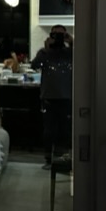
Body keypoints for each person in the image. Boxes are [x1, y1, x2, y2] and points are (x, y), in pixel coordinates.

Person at [29, 24, 74, 168]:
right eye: (55, 35)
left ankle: (64, 159)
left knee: (66, 130)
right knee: (49, 130)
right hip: (48, 97)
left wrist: (72, 43)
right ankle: (49, 159)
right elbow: (34, 65)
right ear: (50, 36)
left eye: (62, 35)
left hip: (67, 96)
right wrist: (46, 48)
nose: (58, 38)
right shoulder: (45, 52)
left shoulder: (70, 52)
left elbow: (84, 59)